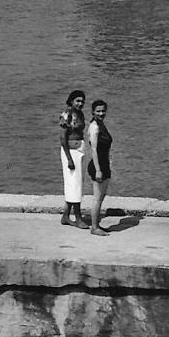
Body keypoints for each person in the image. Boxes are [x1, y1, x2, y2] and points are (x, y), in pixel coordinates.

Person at [58, 90, 89, 229]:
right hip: (70, 151)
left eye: (82, 101)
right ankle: (78, 218)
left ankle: (65, 216)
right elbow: (62, 138)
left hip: (80, 150)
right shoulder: (67, 114)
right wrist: (69, 158)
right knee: (74, 184)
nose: (80, 103)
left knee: (77, 184)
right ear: (71, 101)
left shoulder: (80, 113)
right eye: (77, 100)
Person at [85, 100, 113, 236]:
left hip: (104, 164)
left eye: (103, 111)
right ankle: (94, 227)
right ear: (92, 112)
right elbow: (94, 150)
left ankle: (97, 225)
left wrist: (108, 162)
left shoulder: (102, 125)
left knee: (101, 197)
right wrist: (98, 170)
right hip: (98, 166)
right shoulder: (94, 127)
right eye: (98, 111)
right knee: (97, 198)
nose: (101, 113)